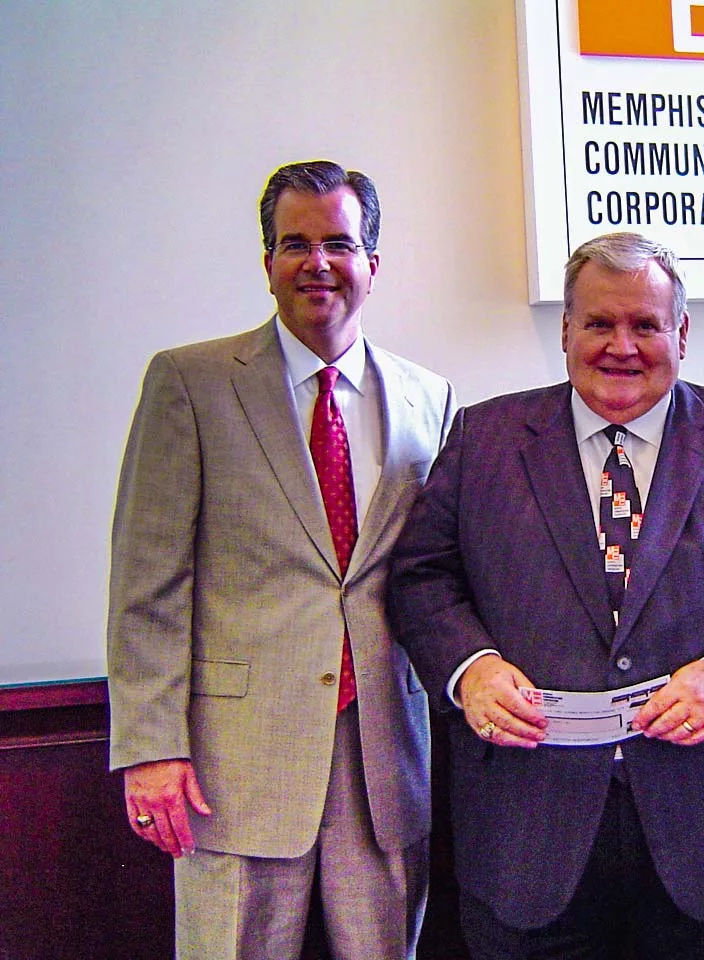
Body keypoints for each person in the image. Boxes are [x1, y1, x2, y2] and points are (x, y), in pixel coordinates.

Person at [387, 232, 704, 960]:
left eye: (645, 324)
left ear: (683, 333)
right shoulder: (484, 436)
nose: (622, 345)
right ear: (566, 329)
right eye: (600, 323)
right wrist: (468, 666)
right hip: (528, 839)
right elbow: (422, 575)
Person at [106, 160, 455, 960]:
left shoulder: (428, 399)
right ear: (266, 262)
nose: (318, 263)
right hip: (233, 762)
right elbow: (145, 586)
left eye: (339, 243)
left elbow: (436, 572)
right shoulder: (190, 383)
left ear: (373, 262)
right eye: (294, 244)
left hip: (383, 756)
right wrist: (152, 748)